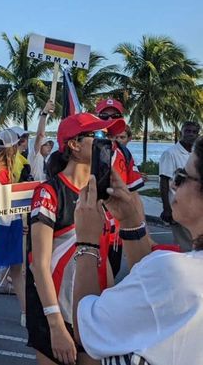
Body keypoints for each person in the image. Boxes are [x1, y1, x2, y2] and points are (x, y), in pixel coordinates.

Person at [72, 136, 203, 364]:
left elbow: (85, 329)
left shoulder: (173, 272)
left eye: (182, 176)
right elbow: (152, 294)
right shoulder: (173, 274)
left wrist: (87, 243)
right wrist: (130, 221)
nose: (174, 184)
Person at [26, 113, 122, 365]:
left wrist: (110, 308)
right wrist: (56, 325)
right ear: (74, 145)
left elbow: (103, 256)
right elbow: (39, 265)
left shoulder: (102, 194)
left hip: (90, 313)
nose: (107, 142)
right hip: (55, 312)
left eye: (108, 136)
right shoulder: (48, 193)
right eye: (98, 135)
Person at [95, 98, 144, 278]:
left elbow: (134, 195)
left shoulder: (124, 153)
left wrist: (141, 229)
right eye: (104, 116)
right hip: (90, 229)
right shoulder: (86, 148)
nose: (109, 120)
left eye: (115, 115)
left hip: (116, 233)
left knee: (111, 276)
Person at [0, 128, 28, 327]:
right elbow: (3, 204)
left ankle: (26, 312)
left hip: (1, 221)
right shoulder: (1, 171)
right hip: (4, 223)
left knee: (12, 267)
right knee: (3, 265)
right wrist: (18, 220)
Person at [159, 120, 200, 251]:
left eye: (194, 132)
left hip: (195, 209)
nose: (191, 134)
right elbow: (164, 181)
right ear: (181, 132)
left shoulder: (195, 154)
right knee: (185, 247)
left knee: (196, 247)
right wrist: (167, 208)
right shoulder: (170, 153)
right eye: (187, 131)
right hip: (179, 208)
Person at [30, 101, 55, 182]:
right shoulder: (35, 156)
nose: (49, 147)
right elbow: (40, 135)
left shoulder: (46, 160)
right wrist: (44, 114)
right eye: (46, 144)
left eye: (50, 144)